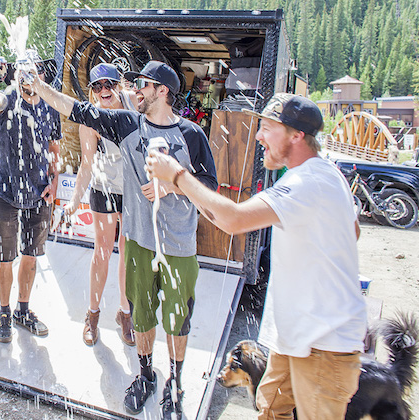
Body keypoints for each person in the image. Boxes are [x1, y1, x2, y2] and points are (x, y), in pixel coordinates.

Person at [145, 93, 367, 419]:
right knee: (270, 410)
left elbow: (233, 220)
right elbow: (354, 231)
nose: (259, 135)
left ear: (296, 135)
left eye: (267, 128)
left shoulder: (306, 183)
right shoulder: (327, 174)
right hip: (294, 338)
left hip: (325, 346)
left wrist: (177, 175)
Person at [27, 60, 217, 417]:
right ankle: (145, 374)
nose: (135, 89)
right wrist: (39, 87)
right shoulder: (129, 124)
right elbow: (78, 110)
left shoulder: (193, 135)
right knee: (142, 316)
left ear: (162, 91)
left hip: (178, 247)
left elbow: (210, 185)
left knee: (178, 321)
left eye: (142, 84)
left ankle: (174, 384)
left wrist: (172, 183)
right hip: (141, 243)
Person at [0, 49, 61, 344]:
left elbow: (55, 149)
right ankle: (4, 313)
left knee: (31, 256)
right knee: (5, 258)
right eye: (24, 69)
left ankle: (22, 311)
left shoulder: (50, 105)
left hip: (40, 192)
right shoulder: (7, 98)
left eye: (35, 70)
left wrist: (54, 182)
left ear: (42, 74)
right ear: (17, 73)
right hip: (6, 191)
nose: (30, 75)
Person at [65, 63, 135, 347]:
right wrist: (73, 200)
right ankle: (92, 316)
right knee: (102, 252)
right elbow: (86, 164)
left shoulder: (134, 105)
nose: (104, 90)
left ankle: (126, 315)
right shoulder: (90, 120)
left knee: (128, 254)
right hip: (104, 187)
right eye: (98, 86)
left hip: (132, 189)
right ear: (92, 91)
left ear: (118, 84)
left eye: (109, 84)